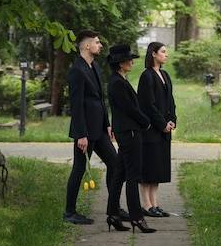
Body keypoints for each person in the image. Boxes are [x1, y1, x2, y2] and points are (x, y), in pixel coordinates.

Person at [64, 29, 124, 225]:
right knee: (79, 168)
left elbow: (100, 98)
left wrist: (107, 124)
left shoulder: (95, 67)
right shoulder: (77, 70)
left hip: (99, 128)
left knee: (115, 164)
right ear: (87, 45)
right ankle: (69, 212)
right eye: (97, 42)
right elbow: (76, 105)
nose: (100, 45)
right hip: (85, 132)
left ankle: (114, 209)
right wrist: (81, 134)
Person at [106, 44, 156, 233]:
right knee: (133, 176)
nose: (132, 62)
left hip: (126, 131)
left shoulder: (118, 80)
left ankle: (113, 214)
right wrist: (146, 122)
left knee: (119, 175)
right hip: (130, 132)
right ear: (120, 63)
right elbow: (130, 108)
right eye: (129, 59)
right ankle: (137, 217)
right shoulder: (117, 83)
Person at [137, 42, 176, 218]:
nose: (166, 55)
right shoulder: (147, 76)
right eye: (163, 51)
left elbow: (170, 100)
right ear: (153, 54)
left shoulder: (165, 75)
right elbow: (148, 105)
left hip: (164, 130)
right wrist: (162, 124)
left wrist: (172, 120)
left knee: (158, 169)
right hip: (151, 130)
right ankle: (145, 205)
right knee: (147, 169)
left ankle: (155, 203)